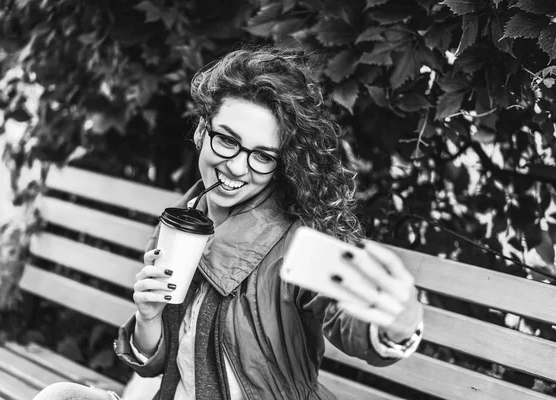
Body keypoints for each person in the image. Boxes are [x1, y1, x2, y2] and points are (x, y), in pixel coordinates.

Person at [33, 45, 423, 400]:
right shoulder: (183, 220)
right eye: (228, 140)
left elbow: (346, 316)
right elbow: (158, 364)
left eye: (262, 156)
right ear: (203, 130)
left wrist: (396, 324)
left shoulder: (299, 240)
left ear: (279, 163)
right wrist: (148, 318)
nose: (237, 167)